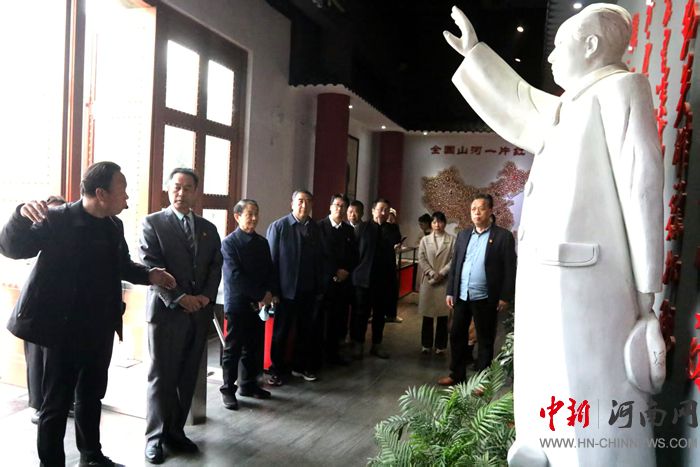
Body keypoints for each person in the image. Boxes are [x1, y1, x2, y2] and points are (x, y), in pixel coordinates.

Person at [444, 5, 664, 466]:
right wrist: (476, 54)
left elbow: (642, 188)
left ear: (591, 46)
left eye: (559, 45)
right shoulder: (570, 104)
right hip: (550, 276)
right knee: (545, 382)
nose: (549, 58)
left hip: (591, 279)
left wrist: (647, 296)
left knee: (589, 387)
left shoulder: (621, 89)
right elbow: (520, 102)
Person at [0, 161, 176, 467]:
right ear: (101, 194)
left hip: (99, 327)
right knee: (55, 404)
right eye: (122, 190)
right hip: (60, 330)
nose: (127, 198)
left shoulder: (113, 226)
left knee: (92, 396)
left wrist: (150, 275)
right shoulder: (57, 219)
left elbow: (122, 265)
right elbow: (10, 248)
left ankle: (91, 456)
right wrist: (19, 215)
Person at [140, 168, 223, 464]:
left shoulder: (207, 228)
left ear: (196, 193)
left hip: (197, 313)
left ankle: (176, 432)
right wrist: (179, 298)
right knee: (162, 377)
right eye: (176, 186)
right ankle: (155, 437)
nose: (181, 192)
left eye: (188, 188)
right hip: (166, 314)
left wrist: (205, 297)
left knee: (187, 376)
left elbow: (215, 265)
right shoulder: (152, 223)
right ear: (168, 189)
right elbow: (150, 264)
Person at [438, 194, 516, 384]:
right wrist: (450, 291)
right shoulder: (463, 235)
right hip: (462, 295)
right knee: (457, 335)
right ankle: (456, 374)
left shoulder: (503, 236)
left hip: (486, 297)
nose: (476, 213)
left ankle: (482, 381)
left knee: (485, 339)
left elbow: (510, 268)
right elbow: (456, 265)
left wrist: (505, 296)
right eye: (473, 209)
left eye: (481, 209)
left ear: (490, 211)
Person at [219, 199, 273, 411]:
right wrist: (260, 294)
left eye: (256, 213)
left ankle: (248, 385)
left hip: (258, 304)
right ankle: (228, 390)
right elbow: (235, 276)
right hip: (238, 303)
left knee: (253, 347)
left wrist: (269, 292)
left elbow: (269, 270)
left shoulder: (262, 242)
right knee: (233, 349)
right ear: (237, 216)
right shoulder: (229, 243)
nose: (254, 218)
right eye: (249, 214)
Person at [266, 190, 324, 385]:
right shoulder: (279, 227)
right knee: (281, 333)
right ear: (292, 203)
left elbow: (320, 260)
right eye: (300, 201)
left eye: (308, 202)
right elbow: (272, 262)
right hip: (285, 292)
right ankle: (277, 370)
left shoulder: (316, 228)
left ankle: (301, 366)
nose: (304, 205)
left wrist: (319, 287)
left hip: (309, 290)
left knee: (305, 331)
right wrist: (274, 291)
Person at [23, 195, 67, 425]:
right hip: (37, 308)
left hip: (62, 311)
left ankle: (60, 402)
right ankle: (37, 405)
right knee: (36, 362)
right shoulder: (37, 235)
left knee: (58, 363)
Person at [349, 198, 402, 359]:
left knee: (380, 315)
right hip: (363, 279)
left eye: (387, 210)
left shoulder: (392, 229)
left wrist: (390, 223)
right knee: (361, 314)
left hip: (383, 280)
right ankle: (358, 344)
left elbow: (395, 240)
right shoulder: (362, 227)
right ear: (373, 211)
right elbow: (354, 252)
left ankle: (376, 345)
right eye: (380, 209)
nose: (383, 212)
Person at [318, 194, 358, 365]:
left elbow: (354, 255)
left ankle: (334, 354)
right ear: (330, 207)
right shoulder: (319, 227)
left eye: (343, 206)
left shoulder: (348, 230)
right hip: (324, 283)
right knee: (323, 321)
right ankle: (320, 356)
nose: (339, 209)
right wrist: (334, 271)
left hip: (343, 283)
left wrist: (346, 271)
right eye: (337, 205)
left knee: (339, 320)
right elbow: (318, 255)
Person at [417, 211, 455, 355]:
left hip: (444, 281)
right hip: (429, 280)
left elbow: (454, 259)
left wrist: (442, 273)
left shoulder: (452, 240)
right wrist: (432, 273)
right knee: (427, 315)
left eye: (440, 221)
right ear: (431, 224)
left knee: (442, 315)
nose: (437, 225)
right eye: (434, 222)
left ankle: (441, 345)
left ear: (445, 223)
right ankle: (426, 344)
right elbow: (421, 258)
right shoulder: (425, 240)